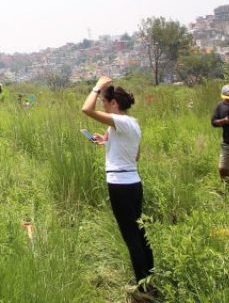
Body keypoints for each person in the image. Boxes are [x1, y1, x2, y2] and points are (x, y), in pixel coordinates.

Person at [82, 76, 155, 298]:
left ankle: (143, 290)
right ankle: (150, 280)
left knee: (131, 237)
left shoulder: (120, 121)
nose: (103, 105)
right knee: (139, 233)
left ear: (114, 103)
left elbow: (86, 109)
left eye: (104, 102)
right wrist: (107, 142)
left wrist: (97, 87)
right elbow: (136, 155)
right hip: (133, 183)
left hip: (120, 185)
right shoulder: (131, 124)